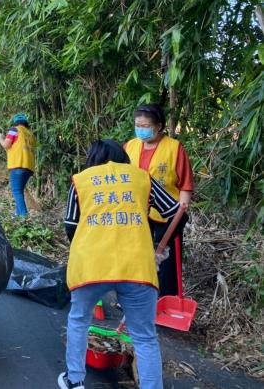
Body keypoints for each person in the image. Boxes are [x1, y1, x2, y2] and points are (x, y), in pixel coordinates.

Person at [58, 139, 179, 389]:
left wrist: (83, 247)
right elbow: (176, 212)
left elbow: (71, 226)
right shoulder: (142, 178)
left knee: (79, 320)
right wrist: (158, 247)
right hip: (137, 267)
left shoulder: (81, 180)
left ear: (93, 157)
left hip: (91, 266)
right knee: (144, 336)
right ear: (123, 157)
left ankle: (74, 381)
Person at [124, 103, 194, 297]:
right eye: (138, 125)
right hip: (136, 211)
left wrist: (182, 210)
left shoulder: (174, 148)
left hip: (168, 213)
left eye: (145, 126)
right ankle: (137, 295)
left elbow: (185, 182)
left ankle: (167, 298)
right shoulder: (130, 146)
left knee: (167, 259)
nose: (141, 129)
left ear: (159, 126)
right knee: (137, 254)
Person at [0, 113, 36, 217]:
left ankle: (24, 217)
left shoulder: (15, 129)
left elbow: (6, 145)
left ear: (15, 122)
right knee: (19, 191)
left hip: (18, 164)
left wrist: (0, 138)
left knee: (16, 191)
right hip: (29, 167)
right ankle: (17, 215)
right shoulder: (30, 133)